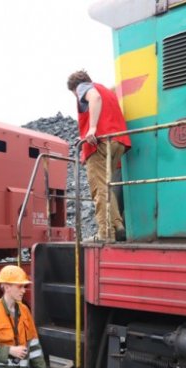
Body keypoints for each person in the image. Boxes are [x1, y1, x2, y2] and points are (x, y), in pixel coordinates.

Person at [67, 69, 131, 241]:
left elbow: (94, 98)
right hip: (118, 142)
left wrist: (92, 128)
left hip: (99, 143)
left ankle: (105, 232)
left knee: (99, 188)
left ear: (75, 88)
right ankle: (117, 226)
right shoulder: (107, 90)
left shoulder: (84, 88)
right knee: (107, 185)